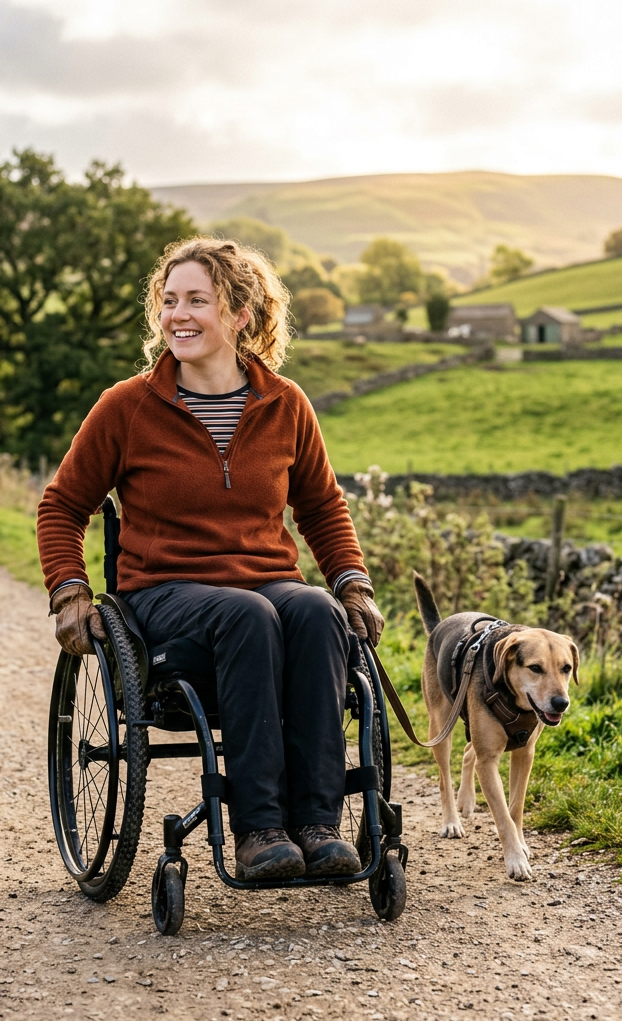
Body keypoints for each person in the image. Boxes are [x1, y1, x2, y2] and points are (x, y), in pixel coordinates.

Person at [37, 238, 386, 883]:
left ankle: (317, 825)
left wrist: (352, 582)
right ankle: (259, 831)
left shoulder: (285, 405)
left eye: (199, 299)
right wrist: (69, 591)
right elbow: (61, 505)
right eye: (169, 302)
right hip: (165, 596)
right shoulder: (127, 407)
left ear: (241, 314)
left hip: (268, 586)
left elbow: (323, 506)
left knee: (314, 610)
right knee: (246, 615)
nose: (179, 315)